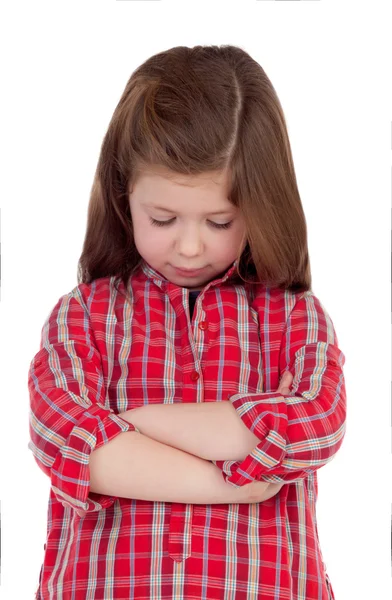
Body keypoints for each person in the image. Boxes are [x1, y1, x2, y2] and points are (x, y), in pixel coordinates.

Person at [28, 44, 346, 600]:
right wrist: (232, 483)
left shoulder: (295, 317)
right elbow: (66, 440)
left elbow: (316, 423)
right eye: (164, 218)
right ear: (124, 197)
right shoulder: (84, 316)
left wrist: (131, 423)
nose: (191, 246)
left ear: (261, 206)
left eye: (220, 220)